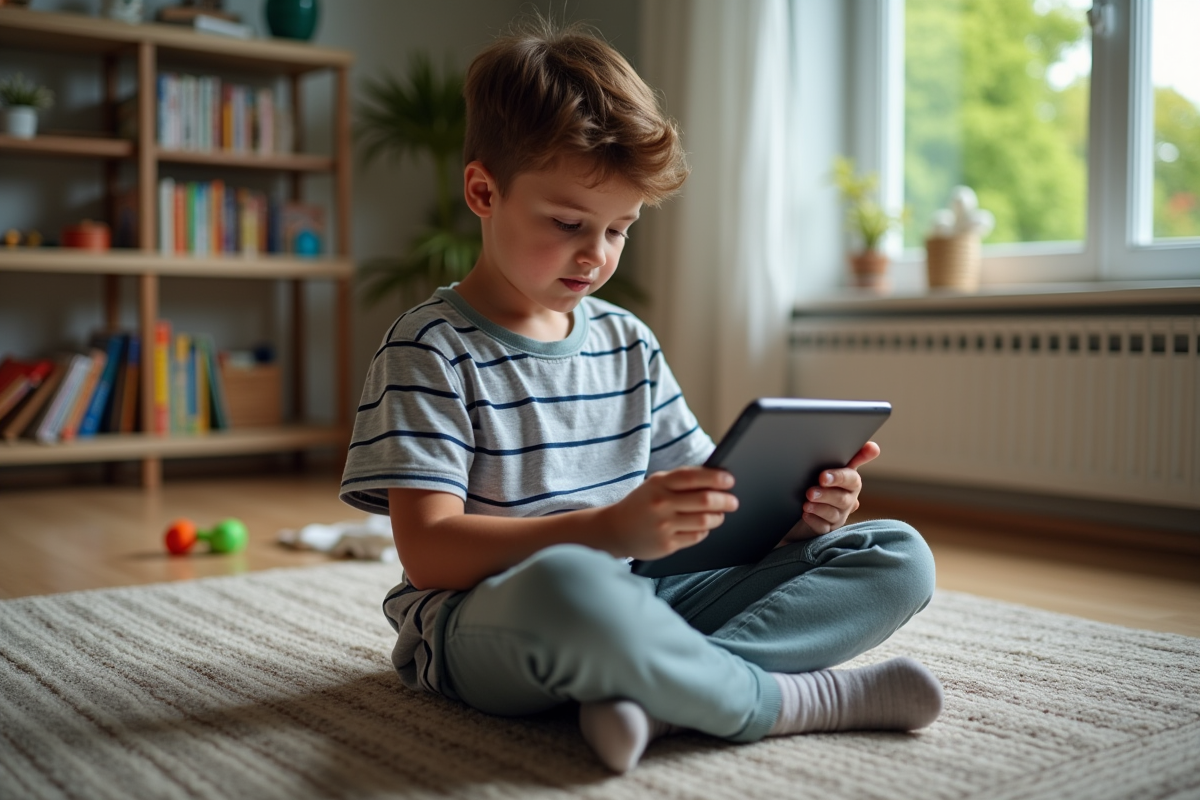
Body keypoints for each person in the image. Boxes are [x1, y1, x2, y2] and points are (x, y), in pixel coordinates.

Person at [340, 20, 943, 774]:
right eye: (567, 224)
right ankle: (781, 699)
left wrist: (796, 517)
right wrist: (609, 529)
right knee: (569, 582)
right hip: (494, 621)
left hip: (645, 598)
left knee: (897, 555)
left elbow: (707, 518)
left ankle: (657, 692)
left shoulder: (626, 339)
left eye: (619, 229)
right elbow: (428, 554)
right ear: (483, 191)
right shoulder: (429, 349)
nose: (595, 255)